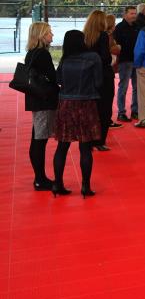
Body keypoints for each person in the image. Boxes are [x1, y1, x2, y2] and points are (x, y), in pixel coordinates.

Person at [51, 30, 101, 197]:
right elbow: (99, 81)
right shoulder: (93, 57)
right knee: (85, 148)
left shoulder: (65, 59)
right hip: (86, 104)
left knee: (62, 146)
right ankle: (86, 186)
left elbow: (58, 80)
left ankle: (57, 183)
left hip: (65, 104)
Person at [24, 22, 58, 191]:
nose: (52, 35)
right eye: (49, 32)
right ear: (42, 35)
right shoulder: (42, 54)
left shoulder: (31, 53)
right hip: (44, 100)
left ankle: (39, 177)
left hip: (36, 98)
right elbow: (53, 76)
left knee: (37, 138)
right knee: (40, 140)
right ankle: (40, 178)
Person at [83, 10, 115, 151]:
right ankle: (99, 140)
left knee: (90, 109)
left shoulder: (83, 37)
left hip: (88, 76)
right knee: (105, 109)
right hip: (103, 76)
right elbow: (106, 58)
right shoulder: (103, 36)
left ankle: (88, 140)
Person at [113, 5, 140, 122]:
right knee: (123, 87)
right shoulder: (118, 28)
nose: (134, 16)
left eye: (135, 13)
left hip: (136, 60)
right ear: (125, 15)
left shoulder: (137, 27)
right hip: (125, 61)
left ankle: (135, 111)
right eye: (131, 13)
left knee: (136, 87)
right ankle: (121, 112)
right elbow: (116, 46)